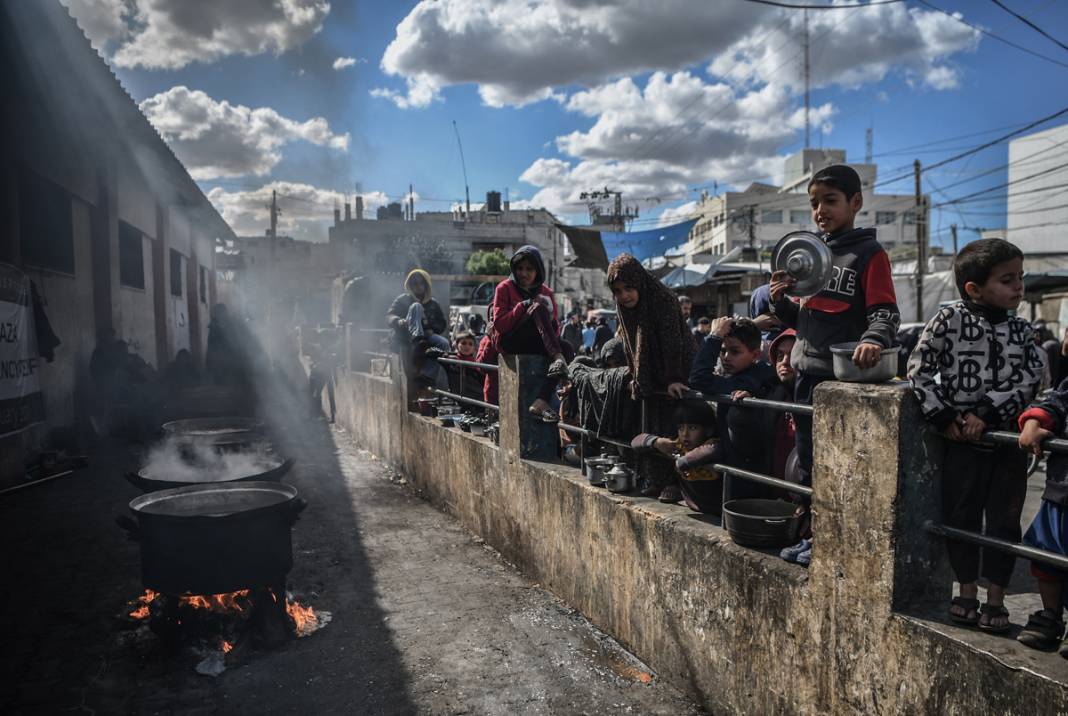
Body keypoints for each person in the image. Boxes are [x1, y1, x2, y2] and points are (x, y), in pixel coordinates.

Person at [908, 237, 1043, 633]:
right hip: (961, 443)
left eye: (1020, 277)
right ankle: (966, 591)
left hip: (1006, 445)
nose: (1018, 286)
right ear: (974, 288)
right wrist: (945, 416)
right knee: (961, 518)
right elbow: (918, 369)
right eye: (1007, 279)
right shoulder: (947, 320)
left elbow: (1032, 377)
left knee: (1004, 521)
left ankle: (996, 598)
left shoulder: (1023, 329)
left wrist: (986, 412)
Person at [769, 164, 899, 494]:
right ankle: (806, 531)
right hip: (805, 374)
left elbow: (885, 312)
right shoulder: (812, 253)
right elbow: (803, 320)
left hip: (839, 376)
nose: (820, 211)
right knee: (808, 458)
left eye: (830, 200)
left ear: (855, 202)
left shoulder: (869, 254)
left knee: (842, 462)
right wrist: (780, 301)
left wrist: (873, 339)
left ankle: (821, 537)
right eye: (814, 203)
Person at [606, 253, 697, 502]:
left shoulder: (663, 298)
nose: (624, 296)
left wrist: (673, 378)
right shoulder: (623, 307)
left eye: (629, 288)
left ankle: (678, 483)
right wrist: (636, 375)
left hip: (676, 368)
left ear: (640, 282)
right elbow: (628, 342)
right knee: (651, 425)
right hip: (651, 373)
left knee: (676, 427)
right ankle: (657, 480)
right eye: (618, 290)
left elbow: (672, 342)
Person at [688, 316, 777, 502]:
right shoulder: (759, 372)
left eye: (734, 352)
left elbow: (698, 379)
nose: (726, 357)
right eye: (722, 350)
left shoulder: (749, 380)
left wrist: (714, 337)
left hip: (747, 469)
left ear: (755, 355)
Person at [485, 246, 570, 422]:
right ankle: (558, 357)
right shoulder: (504, 288)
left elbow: (554, 331)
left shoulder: (546, 292)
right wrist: (524, 306)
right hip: (510, 340)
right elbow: (500, 325)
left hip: (535, 341)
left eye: (529, 269)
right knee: (537, 308)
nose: (524, 273)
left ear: (538, 271)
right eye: (520, 268)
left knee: (567, 347)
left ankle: (541, 400)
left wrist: (548, 314)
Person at [1016, 380, 1068, 653]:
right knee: (1045, 553)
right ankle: (1051, 615)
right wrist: (1034, 421)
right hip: (1062, 488)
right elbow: (1055, 402)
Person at [631, 399, 722, 514]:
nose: (685, 434)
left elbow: (710, 451)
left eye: (692, 428)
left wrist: (681, 461)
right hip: (693, 508)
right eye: (680, 428)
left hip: (717, 512)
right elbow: (635, 442)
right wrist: (656, 442)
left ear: (708, 430)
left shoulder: (713, 444)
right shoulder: (677, 445)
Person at [386, 269, 450, 392]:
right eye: (415, 283)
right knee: (416, 306)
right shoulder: (402, 300)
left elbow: (442, 322)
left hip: (426, 336)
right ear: (410, 285)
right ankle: (417, 339)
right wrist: (399, 321)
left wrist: (433, 329)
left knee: (444, 343)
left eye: (421, 283)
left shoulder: (433, 303)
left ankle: (427, 375)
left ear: (426, 285)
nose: (419, 286)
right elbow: (389, 316)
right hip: (406, 337)